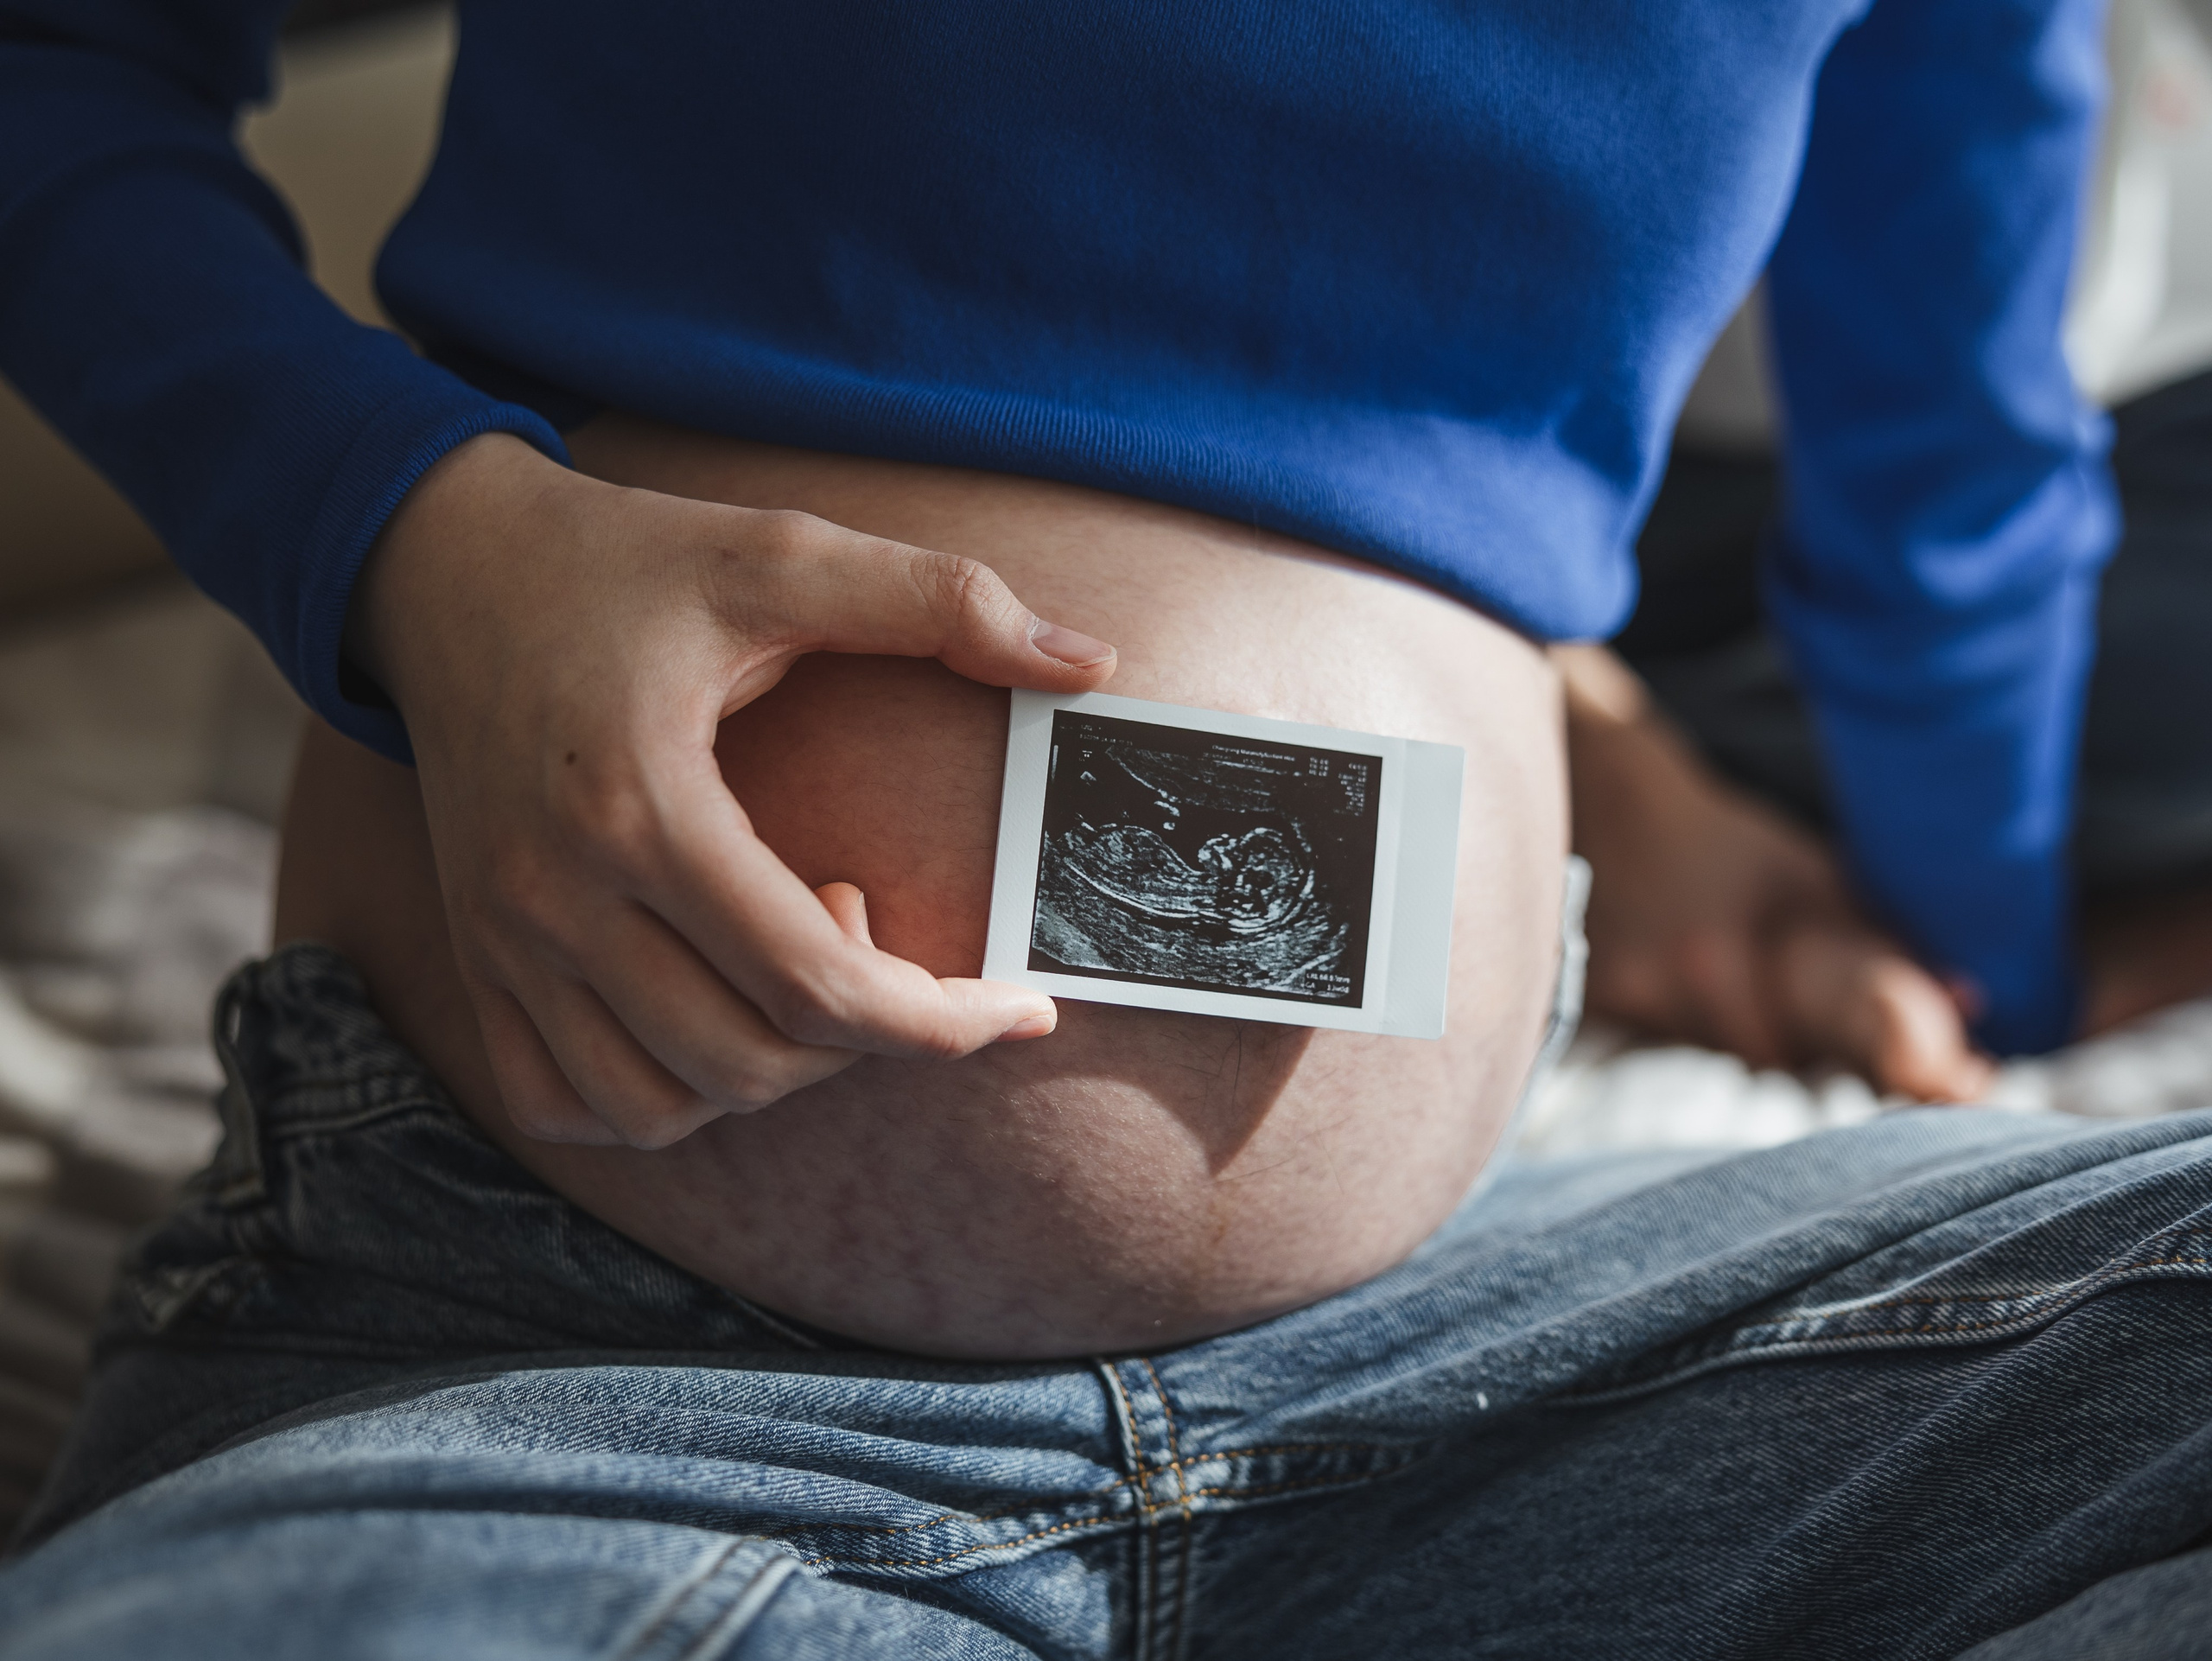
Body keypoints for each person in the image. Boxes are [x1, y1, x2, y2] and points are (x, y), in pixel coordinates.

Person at [5, 0, 2211, 1655]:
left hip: (1486, 1364)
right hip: (544, 1353)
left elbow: (1950, 477)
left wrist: (1971, 979)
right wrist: (408, 538)